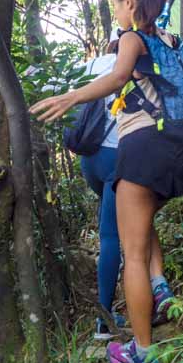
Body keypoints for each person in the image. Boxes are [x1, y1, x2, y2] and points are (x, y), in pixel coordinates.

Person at [32, 0, 183, 363]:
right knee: (141, 235)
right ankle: (160, 290)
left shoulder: (132, 38)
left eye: (114, 4)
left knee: (133, 255)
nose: (115, 12)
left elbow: (118, 76)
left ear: (129, 2)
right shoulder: (171, 41)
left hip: (142, 150)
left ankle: (142, 354)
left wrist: (71, 96)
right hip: (179, 153)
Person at [75, 47, 125, 341]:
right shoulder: (134, 65)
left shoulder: (95, 63)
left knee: (109, 228)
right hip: (115, 158)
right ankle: (104, 322)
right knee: (111, 236)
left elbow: (55, 82)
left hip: (89, 160)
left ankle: (105, 317)